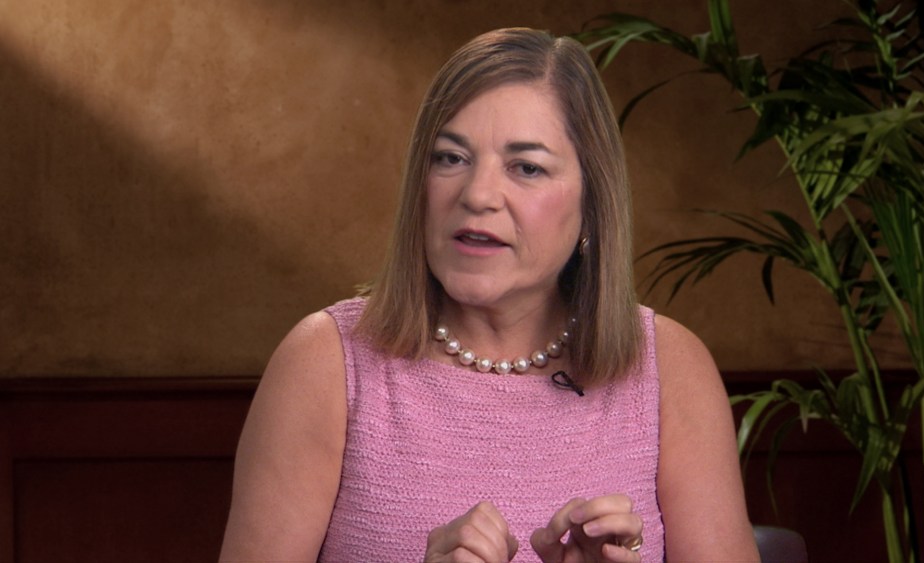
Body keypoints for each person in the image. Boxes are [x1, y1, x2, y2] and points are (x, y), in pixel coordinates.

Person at [219, 27, 759, 563]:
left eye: (527, 167)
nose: (477, 195)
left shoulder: (671, 367)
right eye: (450, 158)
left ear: (592, 205)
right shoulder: (323, 362)